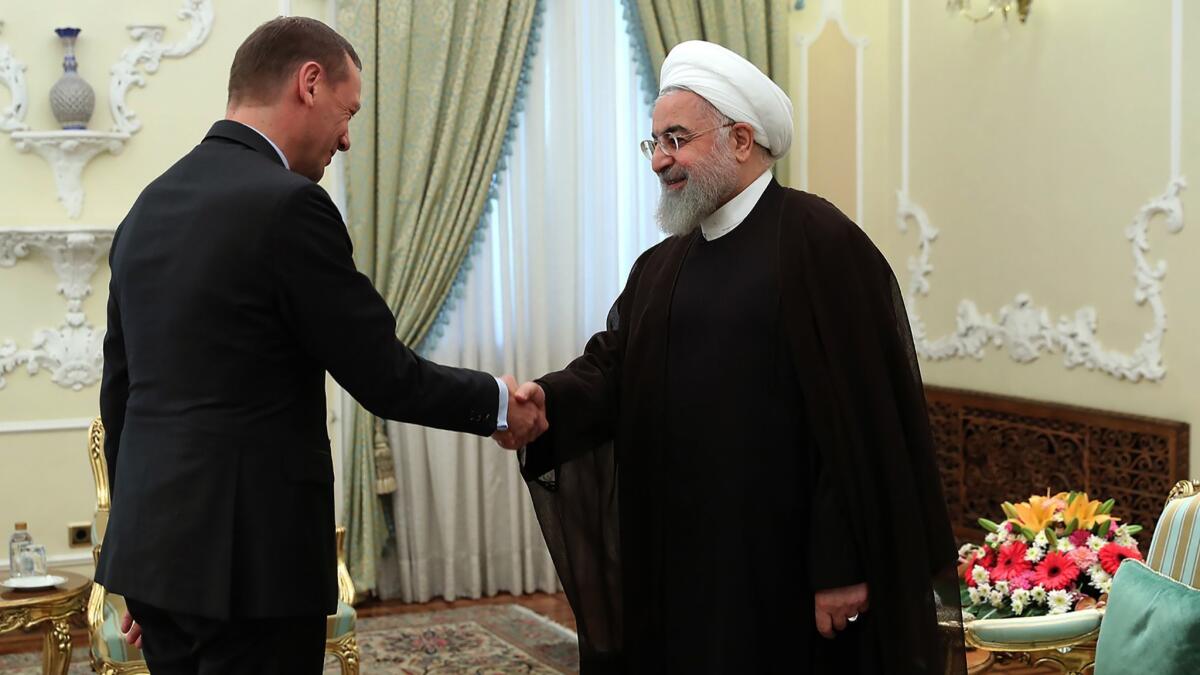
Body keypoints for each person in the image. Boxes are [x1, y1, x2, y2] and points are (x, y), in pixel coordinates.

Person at [495, 40, 965, 674]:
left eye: (677, 139)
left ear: (741, 139)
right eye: (654, 142)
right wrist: (544, 403)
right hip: (680, 559)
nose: (660, 160)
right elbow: (611, 368)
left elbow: (862, 421)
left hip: (786, 570)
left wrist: (844, 566)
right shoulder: (662, 264)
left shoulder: (820, 244)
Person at [96, 17, 546, 674]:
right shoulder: (289, 206)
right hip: (255, 572)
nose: (346, 136)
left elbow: (123, 394)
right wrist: (500, 402)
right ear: (309, 82)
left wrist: (140, 558)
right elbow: (384, 374)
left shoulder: (147, 207)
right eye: (348, 110)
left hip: (162, 566)